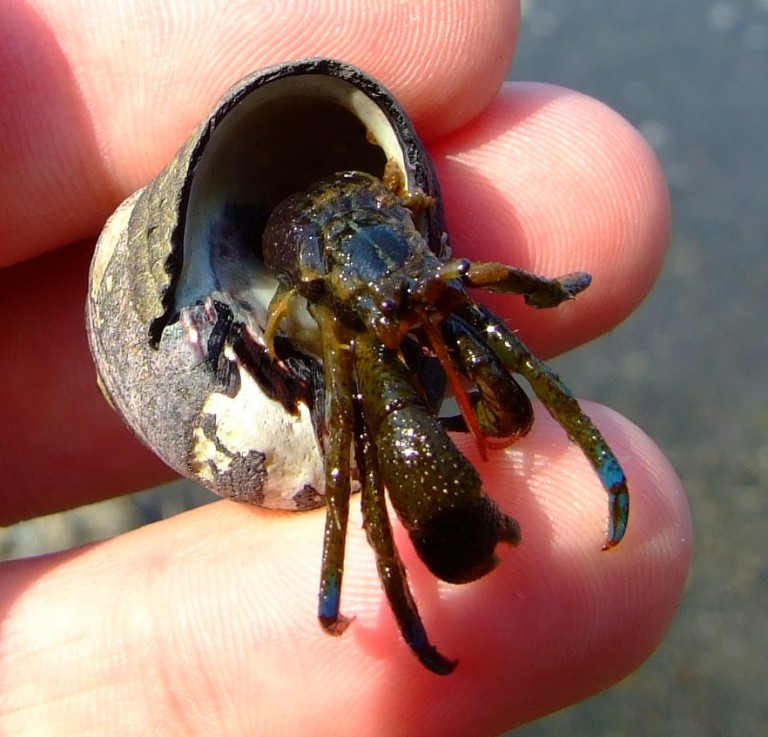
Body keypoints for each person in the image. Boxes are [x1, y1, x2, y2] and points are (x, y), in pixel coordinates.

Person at [0, 1, 691, 734]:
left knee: (490, 342)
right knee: (374, 437)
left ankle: (600, 470)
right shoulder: (331, 328)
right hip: (297, 292)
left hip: (371, 253)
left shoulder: (417, 267)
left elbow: (498, 319)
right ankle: (383, 588)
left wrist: (538, 290)